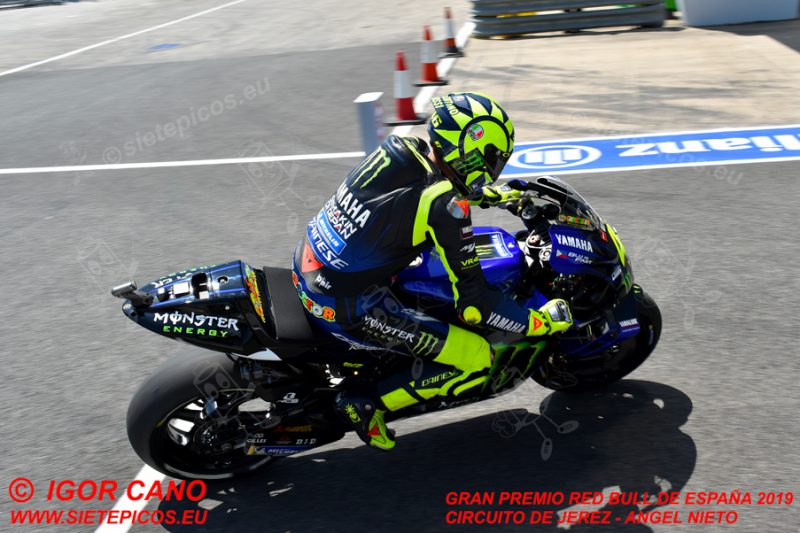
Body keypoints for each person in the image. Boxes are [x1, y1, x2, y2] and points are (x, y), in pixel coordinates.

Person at [291, 92, 572, 450]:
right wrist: (540, 321)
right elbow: (476, 307)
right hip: (346, 305)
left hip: (310, 261)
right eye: (491, 159)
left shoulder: (401, 148)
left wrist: (494, 196)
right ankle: (366, 405)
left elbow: (413, 196)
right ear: (466, 151)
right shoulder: (447, 207)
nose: (493, 169)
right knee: (476, 356)